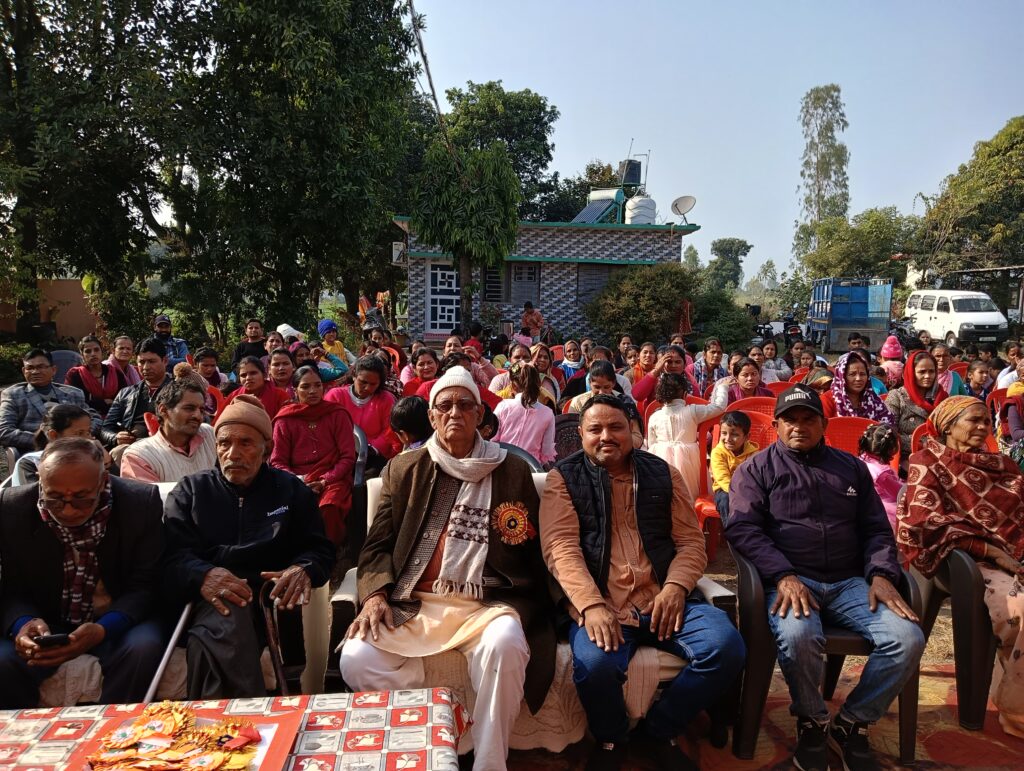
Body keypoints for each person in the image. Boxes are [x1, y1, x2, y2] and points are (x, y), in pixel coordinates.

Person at [339, 367, 555, 771]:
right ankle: (446, 720)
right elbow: (377, 545)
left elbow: (533, 544)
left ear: (480, 414)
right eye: (445, 406)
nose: (454, 412)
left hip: (486, 603)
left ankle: (489, 761)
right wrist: (374, 595)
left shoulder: (511, 469)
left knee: (506, 644)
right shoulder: (404, 468)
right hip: (416, 602)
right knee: (356, 658)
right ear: (432, 417)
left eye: (464, 405)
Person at [726, 385, 925, 771]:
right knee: (799, 636)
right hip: (790, 581)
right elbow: (743, 529)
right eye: (790, 420)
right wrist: (782, 574)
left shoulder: (850, 468)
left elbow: (876, 528)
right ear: (776, 426)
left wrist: (881, 574)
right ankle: (812, 720)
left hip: (850, 583)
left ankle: (852, 722)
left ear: (824, 424)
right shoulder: (756, 469)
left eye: (808, 419)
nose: (799, 427)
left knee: (907, 638)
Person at [541, 394, 744, 770]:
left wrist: (676, 588)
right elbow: (560, 549)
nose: (606, 436)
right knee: (596, 665)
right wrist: (591, 605)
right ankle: (611, 738)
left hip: (664, 599)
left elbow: (690, 542)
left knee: (726, 646)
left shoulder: (662, 473)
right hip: (605, 605)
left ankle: (659, 731)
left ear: (633, 431)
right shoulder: (564, 479)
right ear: (581, 435)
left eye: (616, 427)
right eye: (595, 429)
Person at [163, 395, 334, 697]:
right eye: (224, 443)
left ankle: (222, 718)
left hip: (270, 599)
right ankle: (243, 715)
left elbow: (320, 550)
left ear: (267, 448)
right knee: (227, 615)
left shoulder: (290, 490)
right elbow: (172, 556)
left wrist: (303, 569)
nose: (233, 454)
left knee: (224, 626)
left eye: (245, 443)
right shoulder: (191, 491)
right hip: (207, 599)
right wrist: (203, 575)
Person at [0, 438, 165, 708]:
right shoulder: (13, 507)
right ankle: (25, 732)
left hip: (118, 618)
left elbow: (145, 585)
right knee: (4, 660)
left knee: (143, 649)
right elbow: (12, 586)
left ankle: (116, 727)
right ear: (41, 482)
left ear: (102, 483)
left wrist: (104, 629)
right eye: (54, 499)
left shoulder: (139, 503)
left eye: (81, 499)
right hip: (48, 621)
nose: (67, 510)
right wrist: (23, 624)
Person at [897, 396, 1024, 737]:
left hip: (1013, 556)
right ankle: (1018, 713)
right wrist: (992, 551)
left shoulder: (1003, 466)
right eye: (973, 420)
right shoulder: (928, 462)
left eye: (986, 421)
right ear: (948, 426)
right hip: (962, 560)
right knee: (1021, 610)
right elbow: (924, 522)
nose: (982, 427)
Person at [271, 366, 355, 546]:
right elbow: (277, 461)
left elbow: (347, 457)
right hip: (296, 479)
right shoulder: (285, 419)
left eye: (317, 385)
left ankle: (328, 552)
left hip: (332, 479)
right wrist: (300, 481)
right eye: (305, 386)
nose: (313, 391)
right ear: (295, 390)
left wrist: (324, 480)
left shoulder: (337, 414)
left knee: (329, 507)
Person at [646, 371, 727, 504]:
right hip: (688, 457)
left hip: (659, 459)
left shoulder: (654, 416)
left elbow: (651, 443)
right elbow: (718, 407)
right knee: (689, 494)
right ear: (685, 394)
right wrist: (723, 387)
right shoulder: (692, 411)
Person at [0, 349, 100, 453]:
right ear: (23, 371)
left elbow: (95, 418)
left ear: (53, 369)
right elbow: (4, 431)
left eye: (41, 367)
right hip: (38, 452)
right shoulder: (14, 395)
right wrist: (48, 440)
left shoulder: (73, 393)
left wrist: (82, 435)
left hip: (78, 448)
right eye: (30, 368)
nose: (35, 372)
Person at [119, 379, 216, 484]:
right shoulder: (140, 456)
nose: (198, 416)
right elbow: (148, 494)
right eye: (189, 408)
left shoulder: (208, 434)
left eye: (201, 410)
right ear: (163, 410)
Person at [100, 338, 173, 462]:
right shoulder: (125, 393)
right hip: (131, 448)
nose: (146, 367)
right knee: (119, 452)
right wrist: (116, 437)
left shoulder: (180, 391)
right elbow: (106, 428)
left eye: (151, 361)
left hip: (167, 447)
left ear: (165, 361)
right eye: (142, 362)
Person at [325, 355, 401, 469]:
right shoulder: (335, 396)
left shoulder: (387, 399)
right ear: (354, 376)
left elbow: (390, 431)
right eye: (363, 382)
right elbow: (326, 428)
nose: (367, 388)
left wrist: (373, 448)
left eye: (373, 384)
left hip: (374, 456)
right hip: (337, 455)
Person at [9, 404, 94, 487]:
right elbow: (31, 495)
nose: (88, 439)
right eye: (79, 433)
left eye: (88, 432)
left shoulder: (93, 460)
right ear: (53, 435)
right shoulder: (30, 463)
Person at [885, 350, 948, 460]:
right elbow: (889, 433)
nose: (927, 376)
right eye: (922, 372)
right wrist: (920, 444)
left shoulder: (943, 397)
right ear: (911, 373)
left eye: (931, 371)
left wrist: (936, 446)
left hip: (939, 454)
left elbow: (949, 431)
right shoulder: (897, 396)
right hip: (906, 455)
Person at [493, 362, 556, 466]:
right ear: (539, 384)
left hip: (502, 465)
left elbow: (492, 439)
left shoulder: (503, 406)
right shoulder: (548, 413)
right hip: (531, 468)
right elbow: (547, 451)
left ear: (513, 386)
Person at [820, 352, 894, 425]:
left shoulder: (874, 400)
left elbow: (889, 426)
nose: (858, 378)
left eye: (862, 374)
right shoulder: (827, 400)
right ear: (842, 377)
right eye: (852, 374)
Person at [710, 411, 757, 526]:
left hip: (747, 490)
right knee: (726, 501)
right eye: (724, 433)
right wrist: (737, 494)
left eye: (734, 434)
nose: (728, 438)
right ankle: (733, 533)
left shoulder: (754, 454)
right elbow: (722, 478)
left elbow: (756, 477)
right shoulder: (718, 453)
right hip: (724, 490)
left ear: (747, 437)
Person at [64, 335, 128, 417]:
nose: (93, 354)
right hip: (85, 418)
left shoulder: (115, 372)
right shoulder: (74, 374)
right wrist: (103, 402)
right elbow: (74, 402)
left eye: (96, 350)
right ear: (82, 354)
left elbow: (124, 398)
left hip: (116, 416)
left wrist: (95, 402)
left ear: (102, 352)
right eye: (88, 351)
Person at [858, 424, 902, 534]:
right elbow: (899, 493)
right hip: (884, 512)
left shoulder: (861, 460)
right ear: (891, 449)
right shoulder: (883, 474)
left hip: (863, 506)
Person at [225, 356, 290, 419]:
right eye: (243, 375)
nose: (248, 378)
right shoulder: (233, 396)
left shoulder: (280, 396)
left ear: (264, 375)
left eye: (253, 373)